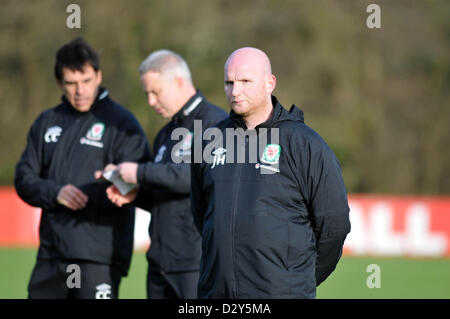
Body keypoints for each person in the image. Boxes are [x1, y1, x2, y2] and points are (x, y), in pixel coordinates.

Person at [190, 47, 351, 298]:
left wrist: (296, 278)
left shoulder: (305, 144)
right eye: (229, 82)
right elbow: (202, 214)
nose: (235, 91)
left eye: (245, 81)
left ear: (269, 83)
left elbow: (334, 225)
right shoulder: (209, 141)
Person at [14, 37, 151, 299]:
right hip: (52, 255)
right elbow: (23, 178)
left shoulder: (122, 124)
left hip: (99, 257)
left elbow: (139, 182)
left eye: (86, 81)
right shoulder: (47, 122)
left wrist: (116, 181)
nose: (80, 91)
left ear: (98, 76)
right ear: (59, 83)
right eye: (71, 83)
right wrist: (56, 192)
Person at [100, 50, 227, 298]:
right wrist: (133, 194)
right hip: (160, 264)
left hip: (197, 264)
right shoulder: (165, 134)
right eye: (147, 93)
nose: (150, 101)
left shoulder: (216, 124)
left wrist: (137, 171)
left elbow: (191, 177)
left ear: (178, 82)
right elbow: (163, 192)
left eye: (155, 92)